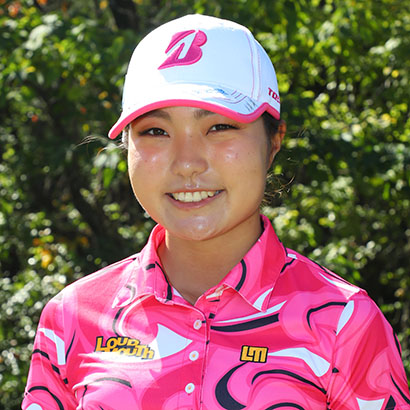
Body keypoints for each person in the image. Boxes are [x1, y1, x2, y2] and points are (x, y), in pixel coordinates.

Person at [22, 14, 409, 410]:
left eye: (220, 127)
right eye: (156, 131)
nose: (187, 163)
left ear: (274, 142)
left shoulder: (344, 323)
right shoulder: (71, 318)